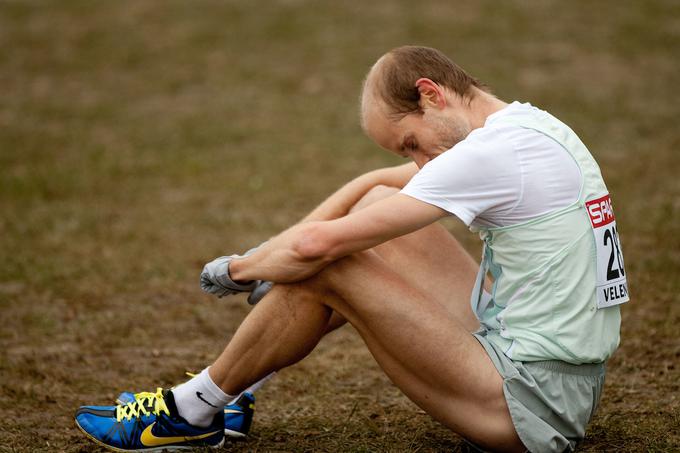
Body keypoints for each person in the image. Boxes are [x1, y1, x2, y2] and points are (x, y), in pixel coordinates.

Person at [75, 46, 629, 452]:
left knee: (332, 261)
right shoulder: (528, 127)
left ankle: (191, 411)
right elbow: (375, 186)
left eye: (411, 142)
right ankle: (233, 396)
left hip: (527, 405)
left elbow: (318, 245)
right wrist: (278, 260)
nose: (419, 162)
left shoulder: (489, 154)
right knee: (366, 227)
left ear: (430, 94)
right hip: (561, 382)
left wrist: (237, 269)